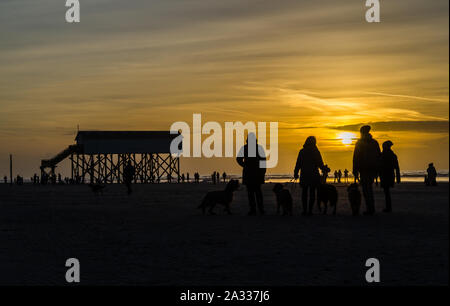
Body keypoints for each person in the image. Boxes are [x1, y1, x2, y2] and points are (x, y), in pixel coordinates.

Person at [353, 125, 381, 215]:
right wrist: (377, 169)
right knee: (369, 189)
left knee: (366, 189)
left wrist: (355, 170)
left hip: (364, 169)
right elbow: (378, 157)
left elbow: (356, 158)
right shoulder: (374, 143)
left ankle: (370, 209)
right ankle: (371, 208)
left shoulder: (360, 143)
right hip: (372, 169)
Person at [294, 136, 325, 216]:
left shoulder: (302, 151)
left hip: (304, 175)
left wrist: (296, 173)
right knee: (312, 193)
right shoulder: (316, 151)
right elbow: (320, 163)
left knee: (304, 193)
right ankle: (310, 211)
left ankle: (305, 210)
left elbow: (298, 164)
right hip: (314, 175)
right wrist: (325, 169)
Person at [237, 133, 266, 216]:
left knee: (252, 193)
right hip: (255, 173)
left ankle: (254, 209)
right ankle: (260, 209)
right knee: (256, 192)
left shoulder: (245, 148)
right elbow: (263, 161)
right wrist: (263, 172)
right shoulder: (258, 148)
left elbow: (238, 159)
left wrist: (244, 165)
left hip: (250, 173)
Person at [379, 141, 400, 213]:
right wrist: (398, 178)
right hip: (389, 175)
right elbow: (397, 167)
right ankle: (388, 207)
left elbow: (379, 166)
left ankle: (388, 207)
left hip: (385, 175)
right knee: (386, 192)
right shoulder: (392, 155)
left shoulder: (383, 155)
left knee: (386, 191)